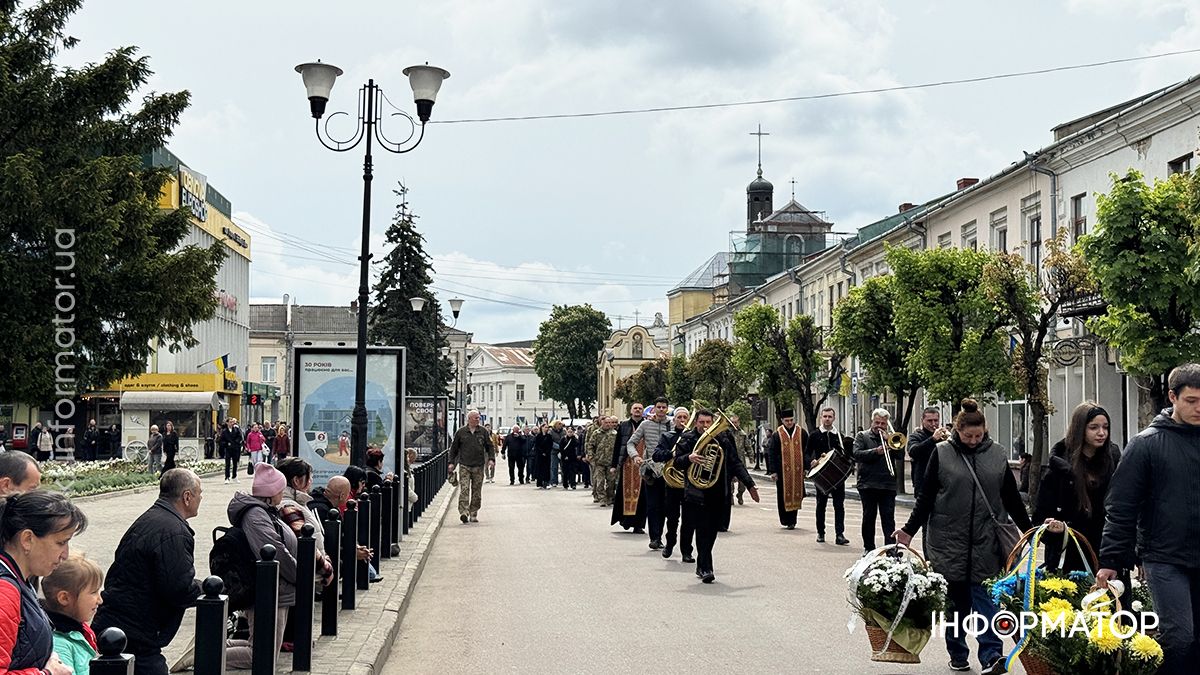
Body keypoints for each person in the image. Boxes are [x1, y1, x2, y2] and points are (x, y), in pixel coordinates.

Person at [894, 399, 1030, 675]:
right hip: (947, 541)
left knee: (986, 600)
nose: (973, 440)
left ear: (985, 431)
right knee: (956, 605)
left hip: (986, 541)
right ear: (958, 430)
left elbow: (1011, 498)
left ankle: (992, 655)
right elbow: (926, 498)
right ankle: (957, 651)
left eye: (978, 436)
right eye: (968, 436)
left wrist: (1028, 528)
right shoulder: (941, 453)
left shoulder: (997, 454)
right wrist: (908, 531)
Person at [1098, 363, 1200, 675]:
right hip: (1165, 557)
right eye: (1192, 401)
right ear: (1172, 397)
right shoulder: (1146, 444)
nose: (1199, 408)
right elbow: (1121, 507)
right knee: (1180, 638)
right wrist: (1111, 559)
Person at [94, 470, 202, 675]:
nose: (201, 498)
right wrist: (204, 588)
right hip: (135, 630)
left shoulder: (155, 517)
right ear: (187, 497)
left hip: (126, 623)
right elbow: (179, 588)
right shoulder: (173, 530)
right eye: (199, 493)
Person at [0, 491, 85, 675]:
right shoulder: (4, 592)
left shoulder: (20, 579)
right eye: (61, 542)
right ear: (27, 539)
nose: (65, 554)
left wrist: (49, 655)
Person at [222, 464, 298, 670]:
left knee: (263, 648)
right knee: (261, 654)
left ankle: (215, 647)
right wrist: (299, 574)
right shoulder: (256, 515)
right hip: (270, 590)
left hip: (277, 588)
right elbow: (274, 550)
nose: (283, 493)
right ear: (271, 492)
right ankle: (206, 652)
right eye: (280, 489)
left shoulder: (266, 511)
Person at [1036, 402, 1123, 579]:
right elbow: (1040, 518)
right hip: (1069, 555)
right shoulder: (1058, 468)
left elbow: (1124, 506)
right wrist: (1055, 528)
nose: (1101, 433)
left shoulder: (1113, 460)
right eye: (1094, 427)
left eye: (1105, 427)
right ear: (1080, 428)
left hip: (1107, 552)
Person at [671, 410, 759, 583]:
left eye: (708, 423)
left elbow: (735, 462)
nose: (705, 426)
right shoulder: (688, 438)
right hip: (696, 492)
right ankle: (706, 568)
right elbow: (676, 462)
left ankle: (702, 563)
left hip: (718, 491)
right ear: (696, 422)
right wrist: (689, 458)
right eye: (702, 422)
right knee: (702, 529)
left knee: (712, 531)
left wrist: (749, 484)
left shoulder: (723, 438)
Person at [43, 554, 104, 674]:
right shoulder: (59, 645)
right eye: (93, 592)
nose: (100, 600)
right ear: (64, 598)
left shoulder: (79, 630)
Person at [627, 398, 671, 550]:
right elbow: (631, 443)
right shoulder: (645, 424)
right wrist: (635, 456)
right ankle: (655, 538)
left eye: (663, 407)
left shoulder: (672, 425)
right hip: (651, 471)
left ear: (667, 409)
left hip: (669, 471)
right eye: (658, 407)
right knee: (653, 506)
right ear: (654, 409)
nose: (661, 410)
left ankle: (663, 536)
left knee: (665, 506)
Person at [652, 407, 694, 563]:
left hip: (690, 482)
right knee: (672, 517)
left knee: (689, 519)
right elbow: (656, 455)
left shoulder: (694, 437)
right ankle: (669, 544)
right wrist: (672, 454)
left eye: (685, 417)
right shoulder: (667, 436)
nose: (682, 420)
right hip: (672, 483)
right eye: (679, 417)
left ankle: (687, 551)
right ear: (674, 420)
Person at [853, 409, 898, 553]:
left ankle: (891, 550)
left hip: (888, 484)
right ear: (872, 421)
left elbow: (901, 455)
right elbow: (857, 454)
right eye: (877, 422)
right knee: (869, 517)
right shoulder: (862, 436)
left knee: (888, 519)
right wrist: (875, 452)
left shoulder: (891, 438)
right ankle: (869, 548)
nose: (879, 426)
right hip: (868, 483)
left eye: (883, 423)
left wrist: (888, 440)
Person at [806, 407, 851, 545]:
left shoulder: (839, 435)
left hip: (837, 476)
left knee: (839, 505)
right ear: (821, 417)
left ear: (834, 418)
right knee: (821, 504)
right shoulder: (814, 435)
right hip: (821, 475)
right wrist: (810, 462)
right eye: (825, 416)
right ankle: (821, 532)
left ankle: (839, 534)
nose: (827, 419)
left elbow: (845, 455)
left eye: (830, 417)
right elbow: (806, 453)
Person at [448, 410, 496, 523]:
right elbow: (453, 449)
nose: (478, 420)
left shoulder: (483, 431)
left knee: (476, 491)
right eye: (476, 418)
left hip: (478, 465)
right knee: (464, 489)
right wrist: (451, 463)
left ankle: (473, 512)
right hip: (464, 465)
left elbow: (490, 447)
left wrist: (491, 459)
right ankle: (464, 512)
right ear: (469, 419)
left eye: (478, 418)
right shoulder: (461, 432)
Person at [765, 409, 808, 530]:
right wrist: (773, 471)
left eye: (791, 420)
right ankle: (785, 519)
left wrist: (806, 467)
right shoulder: (777, 434)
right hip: (782, 471)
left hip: (797, 471)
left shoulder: (801, 433)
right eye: (787, 420)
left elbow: (807, 451)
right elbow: (772, 452)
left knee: (796, 495)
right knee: (783, 495)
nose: (789, 422)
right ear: (782, 421)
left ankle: (792, 520)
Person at [610, 403, 646, 532]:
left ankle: (638, 524)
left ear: (643, 411)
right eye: (635, 408)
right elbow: (618, 445)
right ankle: (625, 520)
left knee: (641, 496)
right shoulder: (624, 425)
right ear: (631, 411)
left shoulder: (647, 424)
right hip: (627, 464)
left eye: (640, 408)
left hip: (642, 463)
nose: (637, 410)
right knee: (624, 493)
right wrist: (614, 465)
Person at [907, 407, 947, 498]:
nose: (934, 424)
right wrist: (932, 439)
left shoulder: (943, 437)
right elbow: (913, 451)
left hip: (941, 483)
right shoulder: (916, 436)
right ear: (922, 421)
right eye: (930, 421)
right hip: (923, 483)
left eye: (936, 420)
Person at [586, 417, 617, 506]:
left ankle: (610, 497)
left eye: (609, 423)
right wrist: (590, 455)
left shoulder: (615, 434)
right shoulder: (596, 433)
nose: (608, 424)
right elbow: (590, 445)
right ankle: (602, 498)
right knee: (600, 481)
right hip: (599, 461)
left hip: (611, 462)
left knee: (611, 482)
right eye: (606, 422)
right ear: (602, 423)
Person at [728, 414, 754, 505]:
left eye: (736, 422)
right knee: (730, 481)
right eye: (733, 422)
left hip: (741, 460)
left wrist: (751, 457)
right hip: (730, 461)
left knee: (743, 482)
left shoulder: (743, 434)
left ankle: (740, 494)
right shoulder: (727, 433)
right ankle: (730, 496)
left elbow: (748, 446)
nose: (735, 424)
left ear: (739, 422)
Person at [219, 417, 245, 483]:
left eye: (232, 422)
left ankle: (234, 476)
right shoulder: (224, 431)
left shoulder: (236, 429)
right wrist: (227, 444)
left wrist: (236, 442)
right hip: (228, 449)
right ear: (227, 423)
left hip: (235, 448)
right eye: (230, 422)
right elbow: (221, 440)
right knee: (227, 463)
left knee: (235, 463)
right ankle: (227, 477)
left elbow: (240, 437)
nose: (231, 423)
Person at [533, 423, 553, 489]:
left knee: (546, 469)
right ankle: (540, 483)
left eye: (547, 427)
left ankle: (546, 482)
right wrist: (542, 452)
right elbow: (537, 446)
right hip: (539, 455)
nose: (546, 429)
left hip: (547, 455)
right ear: (542, 428)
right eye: (545, 427)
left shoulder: (549, 436)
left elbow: (550, 445)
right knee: (540, 469)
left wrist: (546, 452)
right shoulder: (538, 436)